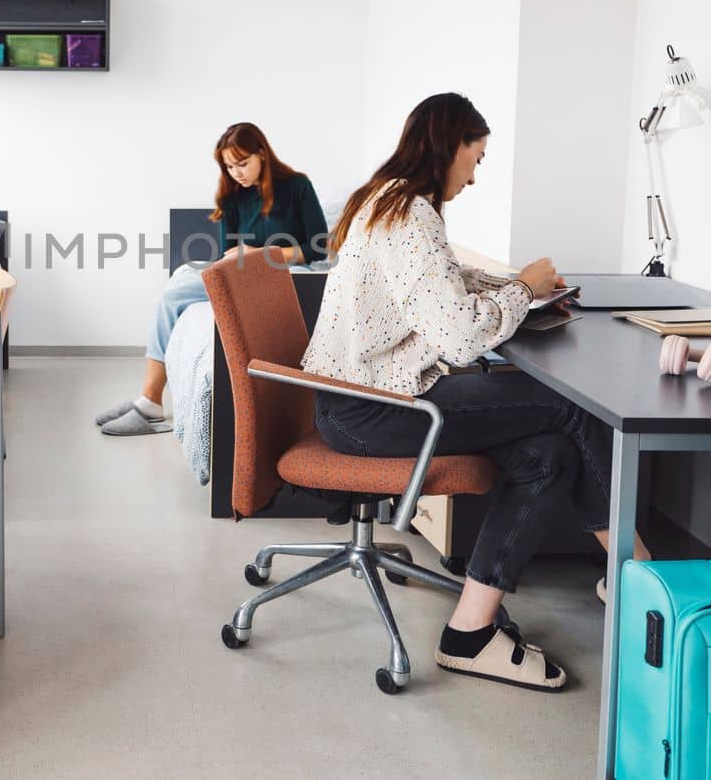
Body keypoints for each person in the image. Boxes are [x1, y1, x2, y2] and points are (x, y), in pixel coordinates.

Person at [301, 92, 650, 691]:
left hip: (369, 401)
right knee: (569, 407)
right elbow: (461, 338)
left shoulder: (389, 202)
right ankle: (639, 579)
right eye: (477, 156)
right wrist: (520, 294)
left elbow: (443, 280)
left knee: (549, 457)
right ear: (449, 145)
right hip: (375, 410)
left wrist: (519, 284)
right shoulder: (409, 214)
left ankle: (470, 633)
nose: (476, 173)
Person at [96, 122, 328, 436]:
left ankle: (148, 406)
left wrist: (267, 254)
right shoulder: (232, 197)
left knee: (277, 274)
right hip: (244, 270)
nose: (237, 173)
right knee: (177, 289)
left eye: (243, 164)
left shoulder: (297, 186)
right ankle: (150, 400)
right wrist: (237, 258)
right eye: (230, 167)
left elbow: (318, 247)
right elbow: (229, 251)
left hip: (288, 271)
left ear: (262, 154)